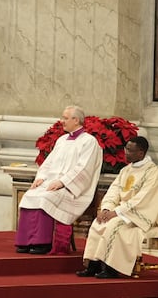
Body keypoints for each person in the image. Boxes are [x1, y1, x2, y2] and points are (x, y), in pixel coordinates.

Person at [78, 136, 158, 279]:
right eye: (126, 149)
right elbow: (113, 192)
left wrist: (117, 213)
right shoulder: (125, 171)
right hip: (122, 212)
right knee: (99, 223)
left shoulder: (154, 174)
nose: (126, 153)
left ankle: (111, 269)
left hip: (143, 217)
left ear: (141, 153)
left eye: (130, 150)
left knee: (114, 226)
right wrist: (106, 209)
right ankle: (93, 265)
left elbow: (143, 200)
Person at [16, 105, 103, 254]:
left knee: (45, 198)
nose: (61, 121)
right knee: (30, 195)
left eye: (65, 118)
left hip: (70, 188)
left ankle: (42, 243)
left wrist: (62, 182)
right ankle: (26, 241)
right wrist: (41, 178)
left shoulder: (89, 142)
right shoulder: (62, 140)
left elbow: (83, 168)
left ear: (76, 120)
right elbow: (48, 163)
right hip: (52, 183)